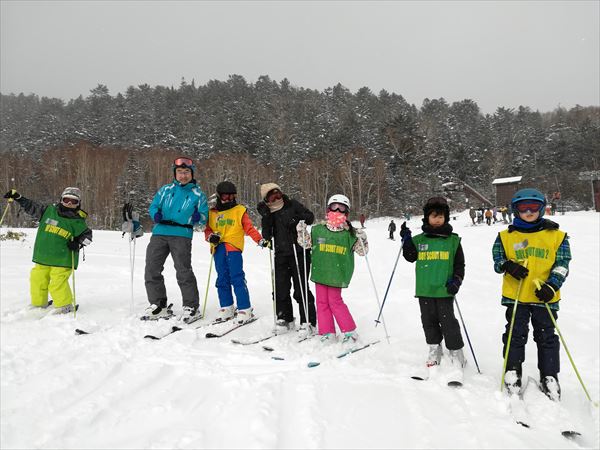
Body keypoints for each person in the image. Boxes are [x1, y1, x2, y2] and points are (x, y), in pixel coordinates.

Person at [492, 188, 571, 400]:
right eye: (523, 207)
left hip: (544, 297)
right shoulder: (505, 236)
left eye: (534, 207)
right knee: (514, 334)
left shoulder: (556, 236)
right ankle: (512, 370)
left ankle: (549, 375)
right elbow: (497, 261)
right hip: (516, 296)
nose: (528, 211)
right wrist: (509, 265)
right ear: (515, 210)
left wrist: (552, 285)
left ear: (541, 208)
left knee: (546, 336)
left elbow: (563, 264)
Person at [399, 197, 466, 374]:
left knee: (448, 322)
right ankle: (434, 348)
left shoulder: (453, 241)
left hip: (444, 289)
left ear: (446, 218)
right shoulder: (419, 239)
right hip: (425, 289)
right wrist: (406, 240)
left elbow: (460, 265)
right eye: (433, 215)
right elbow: (410, 256)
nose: (437, 219)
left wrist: (457, 281)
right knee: (428, 321)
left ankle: (456, 350)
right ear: (426, 217)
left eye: (441, 216)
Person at [3, 187, 92, 314]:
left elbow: (88, 237)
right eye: (66, 200)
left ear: (79, 204)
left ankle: (64, 305)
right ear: (61, 200)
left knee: (57, 282)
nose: (69, 204)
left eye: (74, 201)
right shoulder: (48, 211)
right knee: (37, 280)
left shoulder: (78, 221)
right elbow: (31, 206)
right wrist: (19, 198)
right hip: (43, 256)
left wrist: (78, 243)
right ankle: (39, 303)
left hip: (63, 259)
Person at [296, 194, 368, 348]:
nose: (337, 210)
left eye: (341, 208)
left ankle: (350, 332)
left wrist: (363, 238)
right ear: (328, 209)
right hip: (321, 271)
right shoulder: (318, 230)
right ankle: (327, 332)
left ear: (346, 213)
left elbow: (363, 251)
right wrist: (301, 232)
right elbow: (306, 244)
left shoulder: (350, 233)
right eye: (334, 207)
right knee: (322, 302)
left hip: (337, 273)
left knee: (335, 301)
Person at [142, 157, 208, 323]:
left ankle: (191, 306)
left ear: (191, 174)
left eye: (186, 172)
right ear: (175, 173)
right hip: (160, 232)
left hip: (181, 234)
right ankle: (158, 305)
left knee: (183, 270)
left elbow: (204, 217)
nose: (183, 175)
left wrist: (198, 216)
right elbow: (154, 206)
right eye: (180, 172)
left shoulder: (198, 194)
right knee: (152, 268)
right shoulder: (165, 189)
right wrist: (154, 214)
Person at [256, 183, 316, 336]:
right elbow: (267, 236)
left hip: (299, 251)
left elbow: (310, 217)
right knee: (280, 288)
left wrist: (297, 219)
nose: (277, 197)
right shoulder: (268, 212)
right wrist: (266, 216)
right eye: (272, 195)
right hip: (281, 254)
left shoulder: (292, 204)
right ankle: (284, 317)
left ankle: (308, 320)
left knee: (300, 287)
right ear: (266, 199)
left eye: (278, 193)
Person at [206, 181, 269, 324]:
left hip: (233, 248)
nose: (229, 199)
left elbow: (249, 228)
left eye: (231, 197)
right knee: (222, 278)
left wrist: (259, 240)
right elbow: (207, 230)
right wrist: (211, 237)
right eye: (225, 197)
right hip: (218, 249)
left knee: (236, 277)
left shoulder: (239, 210)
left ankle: (244, 308)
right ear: (219, 196)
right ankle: (227, 306)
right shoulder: (212, 213)